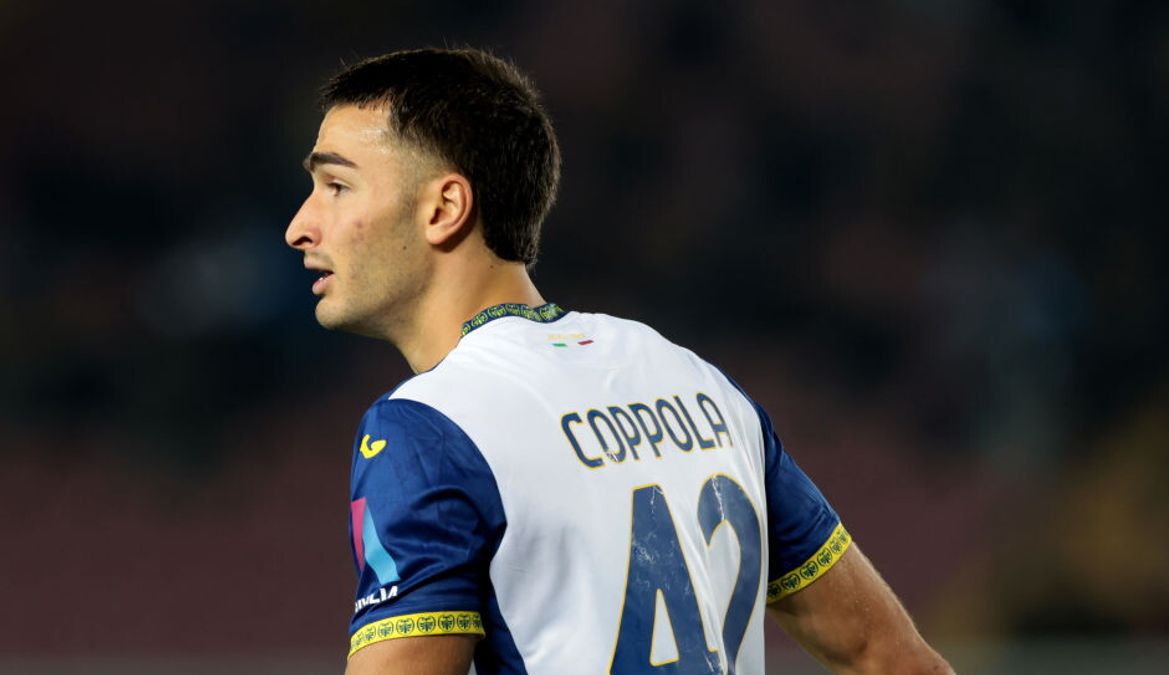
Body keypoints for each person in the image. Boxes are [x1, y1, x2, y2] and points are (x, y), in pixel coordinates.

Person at [285, 47, 954, 675]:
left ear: (444, 208)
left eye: (336, 186)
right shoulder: (696, 381)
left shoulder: (426, 429)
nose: (300, 226)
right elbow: (893, 656)